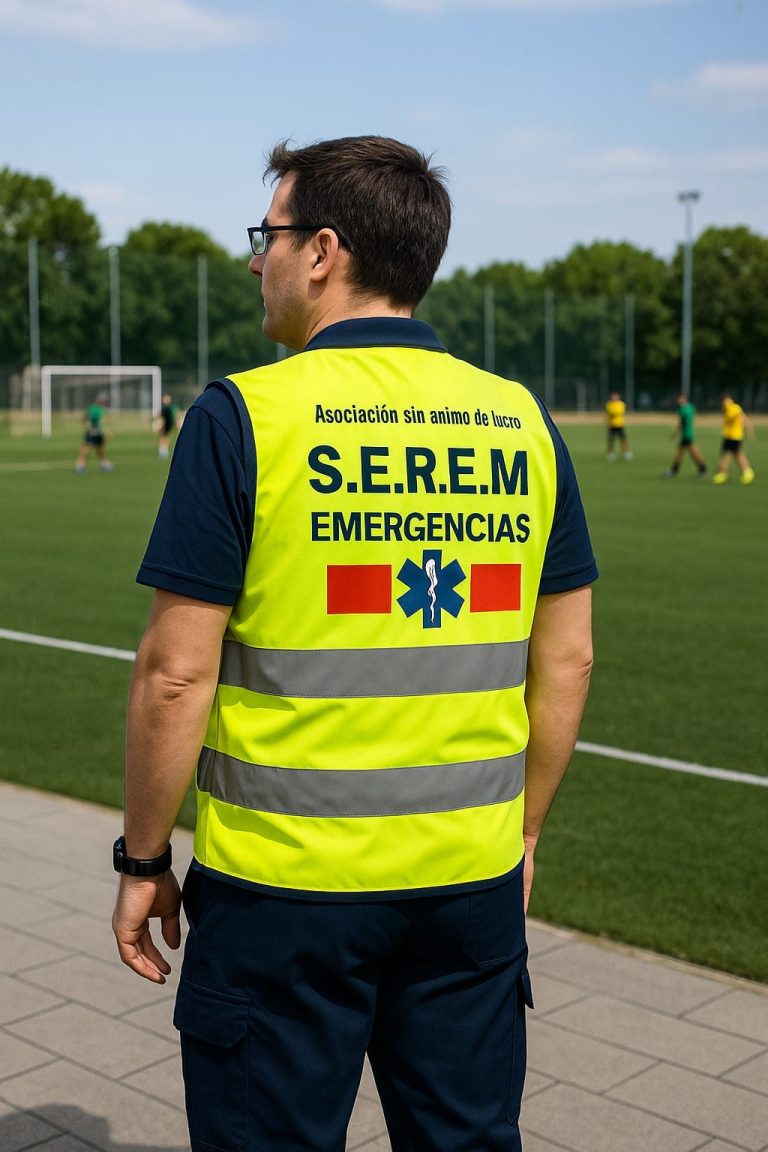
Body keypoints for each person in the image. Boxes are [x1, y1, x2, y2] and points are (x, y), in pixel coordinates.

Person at [111, 136, 597, 1152]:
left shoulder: (244, 417)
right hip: (469, 883)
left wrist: (145, 855)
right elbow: (569, 659)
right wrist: (524, 835)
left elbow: (174, 676)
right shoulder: (524, 422)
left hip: (284, 896)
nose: (258, 260)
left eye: (270, 235)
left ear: (323, 250)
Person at [661, 393, 708, 478]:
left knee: (681, 453)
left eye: (680, 399)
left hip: (686, 434)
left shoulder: (682, 410)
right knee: (693, 452)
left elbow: (682, 424)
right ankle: (703, 468)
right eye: (678, 399)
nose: (678, 401)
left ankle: (674, 470)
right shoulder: (691, 407)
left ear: (684, 399)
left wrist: (674, 434)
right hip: (689, 433)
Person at [713, 392, 755, 485]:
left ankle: (746, 471)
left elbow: (736, 418)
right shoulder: (730, 409)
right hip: (729, 436)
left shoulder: (734, 408)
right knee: (728, 454)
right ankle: (723, 473)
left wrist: (748, 429)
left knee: (735, 454)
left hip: (735, 436)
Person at [74, 395, 113, 473]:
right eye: (102, 401)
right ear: (98, 401)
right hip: (93, 432)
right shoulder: (93, 409)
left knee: (100, 448)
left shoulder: (100, 409)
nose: (103, 402)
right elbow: (86, 420)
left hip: (99, 432)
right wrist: (88, 428)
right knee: (86, 448)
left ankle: (103, 464)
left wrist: (105, 431)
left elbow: (100, 422)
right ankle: (80, 465)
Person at [604, 391, 632, 461]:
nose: (614, 397)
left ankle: (626, 453)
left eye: (616, 396)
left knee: (623, 440)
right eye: (613, 396)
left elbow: (619, 412)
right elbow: (610, 412)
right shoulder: (609, 404)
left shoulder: (621, 404)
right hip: (612, 425)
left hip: (619, 425)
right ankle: (610, 454)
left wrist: (614, 412)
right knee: (611, 441)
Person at [155, 393, 180, 459]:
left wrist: (177, 423)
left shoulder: (170, 407)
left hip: (168, 424)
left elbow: (175, 416)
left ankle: (163, 451)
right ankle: (164, 451)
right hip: (166, 424)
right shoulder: (166, 408)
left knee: (164, 437)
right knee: (164, 437)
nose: (164, 400)